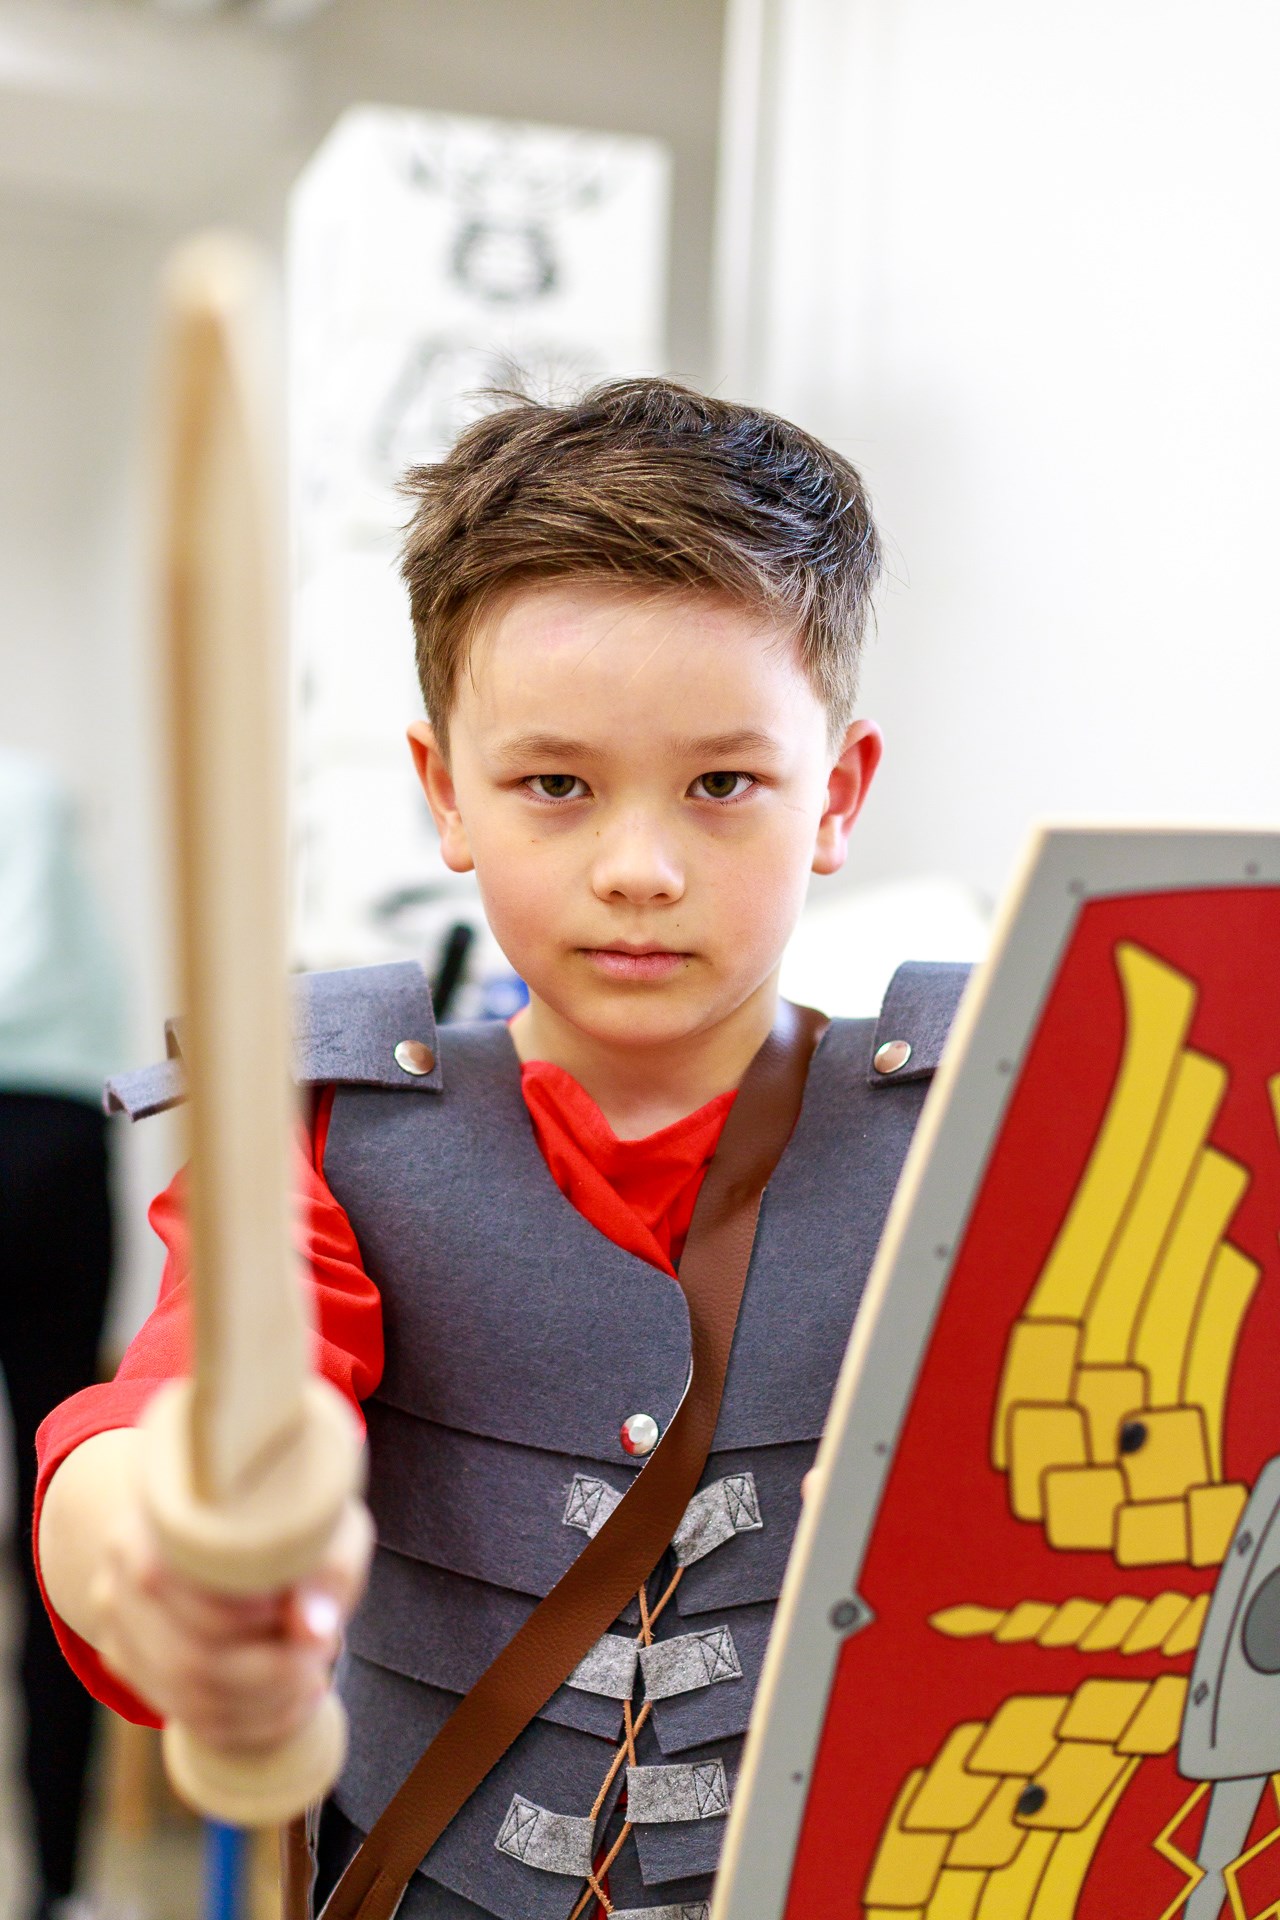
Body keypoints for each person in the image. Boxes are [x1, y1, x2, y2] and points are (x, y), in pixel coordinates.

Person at [32, 380, 967, 1920]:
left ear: (837, 796)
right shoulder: (333, 1128)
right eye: (557, 784)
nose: (641, 867)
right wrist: (154, 1540)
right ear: (444, 792)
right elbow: (192, 1402)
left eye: (723, 784)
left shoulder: (980, 1121)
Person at [0, 749, 121, 1920]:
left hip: (46, 1127)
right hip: (54, 1145)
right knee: (53, 1518)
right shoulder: (37, 785)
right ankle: (64, 1887)